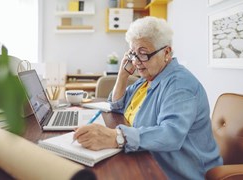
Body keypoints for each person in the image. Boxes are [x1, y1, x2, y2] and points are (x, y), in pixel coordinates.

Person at [73, 16, 223, 179]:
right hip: (148, 159)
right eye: (133, 54)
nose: (136, 61)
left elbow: (171, 134)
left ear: (166, 52)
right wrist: (122, 75)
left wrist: (116, 137)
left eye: (143, 54)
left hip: (178, 172)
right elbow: (116, 104)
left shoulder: (180, 85)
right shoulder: (146, 80)